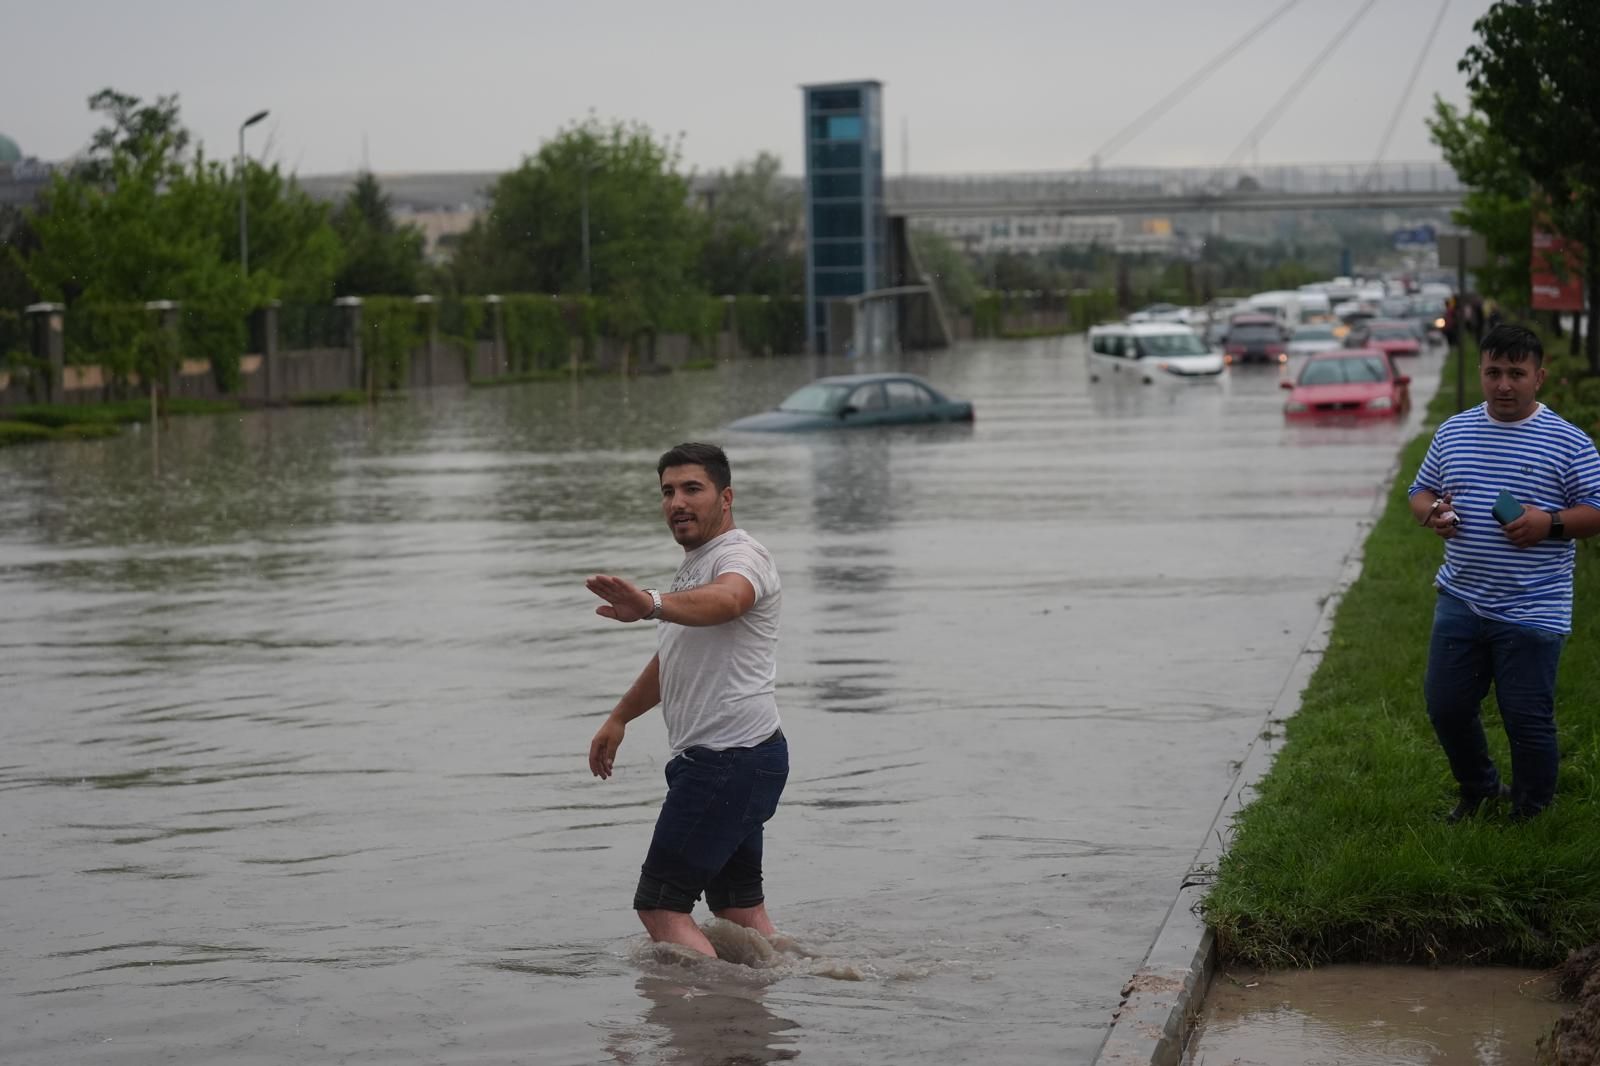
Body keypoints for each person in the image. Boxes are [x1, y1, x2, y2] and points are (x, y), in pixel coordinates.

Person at [585, 442, 788, 956]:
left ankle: (716, 1015)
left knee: (660, 906)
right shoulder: (697, 565)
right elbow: (676, 657)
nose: (677, 501)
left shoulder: (741, 556)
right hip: (742, 759)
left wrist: (651, 603)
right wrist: (620, 716)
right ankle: (779, 995)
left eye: (692, 488)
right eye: (668, 491)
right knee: (738, 912)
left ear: (726, 497)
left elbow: (730, 600)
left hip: (728, 761)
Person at [1410, 324, 1600, 822]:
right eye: (1494, 372)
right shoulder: (1454, 431)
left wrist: (1549, 523)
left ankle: (1531, 812)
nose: (1504, 385)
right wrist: (1434, 514)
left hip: (1534, 605)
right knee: (1446, 707)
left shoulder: (1569, 442)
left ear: (1539, 377)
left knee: (1526, 719)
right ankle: (1479, 790)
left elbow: (1595, 512)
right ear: (1481, 373)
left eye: (1517, 373)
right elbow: (1420, 491)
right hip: (1461, 598)